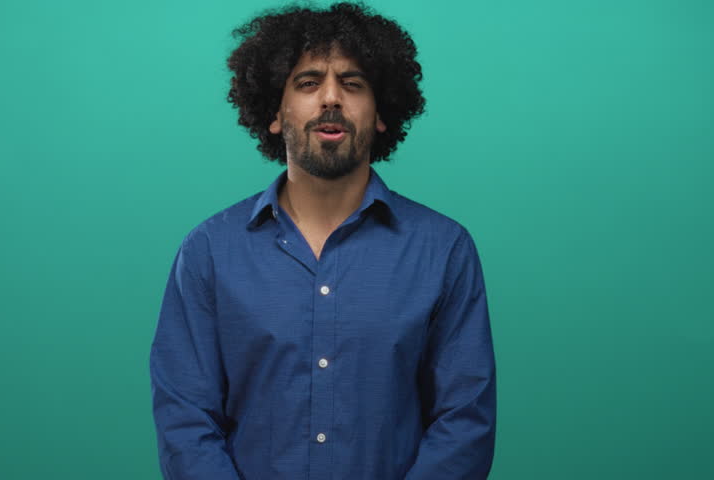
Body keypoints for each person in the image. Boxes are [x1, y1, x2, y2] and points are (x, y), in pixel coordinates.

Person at [149, 3, 496, 479]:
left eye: (352, 84)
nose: (331, 97)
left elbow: (464, 423)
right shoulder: (209, 252)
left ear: (380, 114)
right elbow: (186, 422)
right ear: (274, 113)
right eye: (308, 83)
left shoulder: (444, 250)